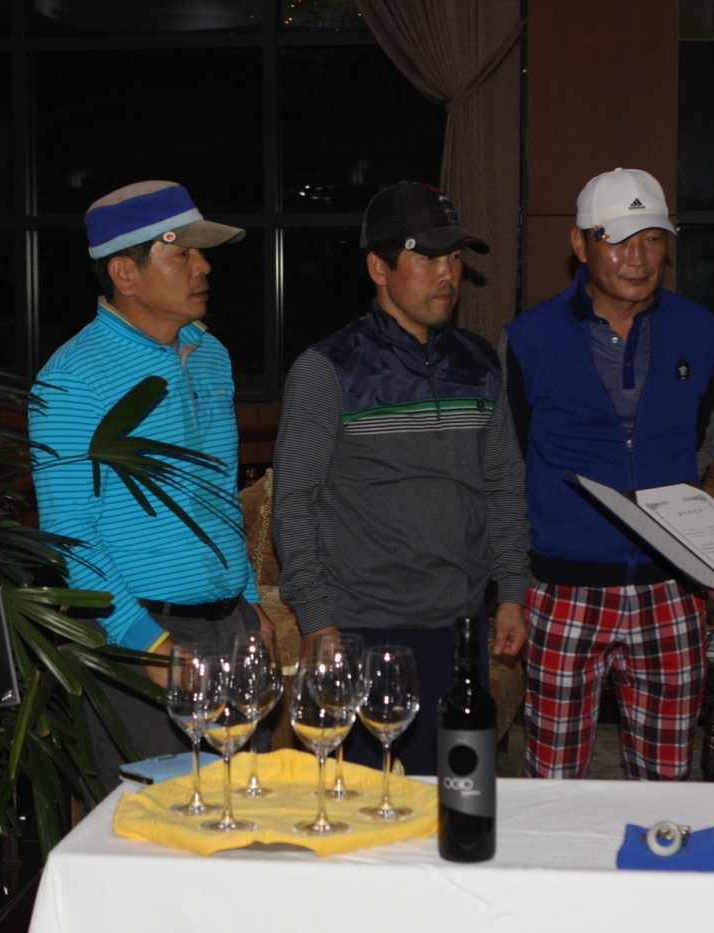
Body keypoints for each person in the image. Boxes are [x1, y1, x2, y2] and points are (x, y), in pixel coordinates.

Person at [271, 182, 531, 775]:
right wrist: (317, 620)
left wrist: (513, 594)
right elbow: (295, 503)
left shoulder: (479, 362)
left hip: (461, 624)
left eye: (455, 258)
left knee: (460, 794)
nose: (447, 274)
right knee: (363, 805)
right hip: (364, 627)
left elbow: (503, 486)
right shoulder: (327, 368)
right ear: (378, 268)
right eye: (428, 257)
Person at [30, 180, 271, 793]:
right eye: (181, 252)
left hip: (231, 626)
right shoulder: (72, 377)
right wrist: (150, 645)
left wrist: (250, 605)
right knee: (159, 830)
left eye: (201, 252)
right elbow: (69, 536)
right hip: (142, 637)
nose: (203, 266)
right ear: (125, 274)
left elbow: (219, 493)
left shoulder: (210, 353)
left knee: (248, 814)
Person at [503, 167, 714, 781]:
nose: (639, 257)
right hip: (564, 590)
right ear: (580, 243)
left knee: (667, 784)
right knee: (553, 783)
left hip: (671, 588)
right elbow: (510, 462)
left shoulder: (701, 329)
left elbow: (704, 441)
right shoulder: (528, 338)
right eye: (619, 239)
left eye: (653, 239)